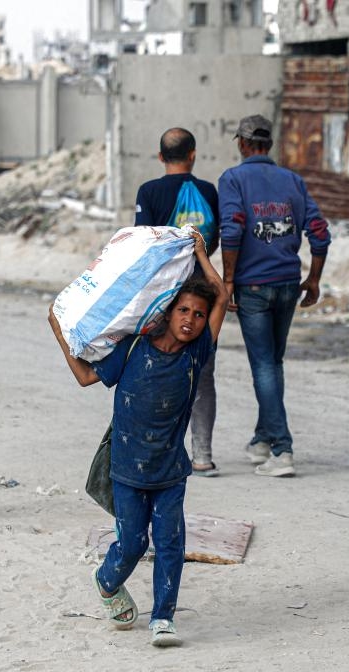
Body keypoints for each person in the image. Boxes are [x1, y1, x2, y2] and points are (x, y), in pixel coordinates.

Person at [48, 232, 227, 647]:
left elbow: (220, 295)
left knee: (170, 543)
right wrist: (59, 328)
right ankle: (107, 581)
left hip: (170, 471)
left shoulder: (196, 353)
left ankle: (163, 618)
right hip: (126, 470)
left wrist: (200, 253)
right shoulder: (131, 350)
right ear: (165, 311)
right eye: (183, 310)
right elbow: (84, 376)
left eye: (198, 315)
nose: (191, 320)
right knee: (131, 543)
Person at [218, 114, 330, 478]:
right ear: (268, 144)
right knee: (273, 363)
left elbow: (232, 229)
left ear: (243, 143)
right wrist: (313, 278)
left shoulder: (233, 179)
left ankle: (282, 449)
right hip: (286, 284)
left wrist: (229, 279)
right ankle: (262, 440)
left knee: (264, 365)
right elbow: (319, 231)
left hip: (252, 286)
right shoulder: (292, 181)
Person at [134, 127, 222, 476]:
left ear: (160, 157)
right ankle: (202, 455)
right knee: (202, 373)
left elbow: (143, 243)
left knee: (156, 369)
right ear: (193, 154)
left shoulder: (149, 191)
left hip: (163, 296)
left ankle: (159, 450)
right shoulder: (207, 191)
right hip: (201, 293)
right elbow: (214, 239)